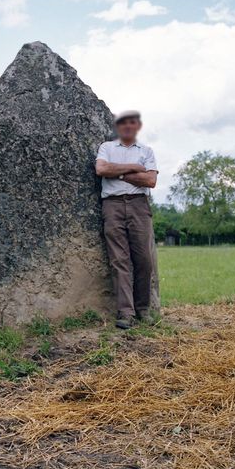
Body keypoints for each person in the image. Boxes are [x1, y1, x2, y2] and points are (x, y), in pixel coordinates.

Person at [95, 110, 158, 329]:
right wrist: (133, 169)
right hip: (112, 206)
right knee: (118, 260)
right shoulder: (107, 148)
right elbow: (101, 168)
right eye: (123, 124)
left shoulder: (146, 151)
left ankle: (143, 308)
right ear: (118, 127)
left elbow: (150, 180)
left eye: (132, 123)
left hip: (139, 206)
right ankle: (126, 312)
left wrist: (117, 174)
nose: (128, 127)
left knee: (144, 259)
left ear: (138, 127)